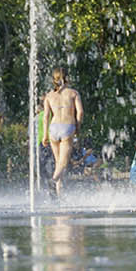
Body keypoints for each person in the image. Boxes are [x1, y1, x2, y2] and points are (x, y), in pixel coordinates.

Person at [43, 68, 84, 196]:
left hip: (53, 128)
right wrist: (78, 127)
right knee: (63, 162)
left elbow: (45, 117)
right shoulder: (73, 93)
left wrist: (45, 135)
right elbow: (80, 112)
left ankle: (58, 194)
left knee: (58, 163)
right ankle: (53, 181)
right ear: (67, 78)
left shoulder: (49, 96)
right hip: (67, 126)